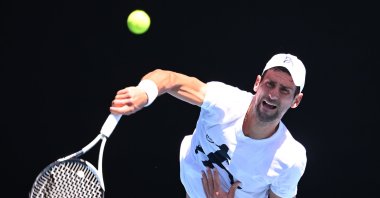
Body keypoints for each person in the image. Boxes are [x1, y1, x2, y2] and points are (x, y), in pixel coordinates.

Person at [110, 53, 307, 198]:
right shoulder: (224, 102)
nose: (273, 95)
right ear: (257, 83)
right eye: (270, 84)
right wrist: (145, 92)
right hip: (189, 187)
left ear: (296, 100)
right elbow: (170, 79)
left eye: (284, 90)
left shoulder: (290, 158)